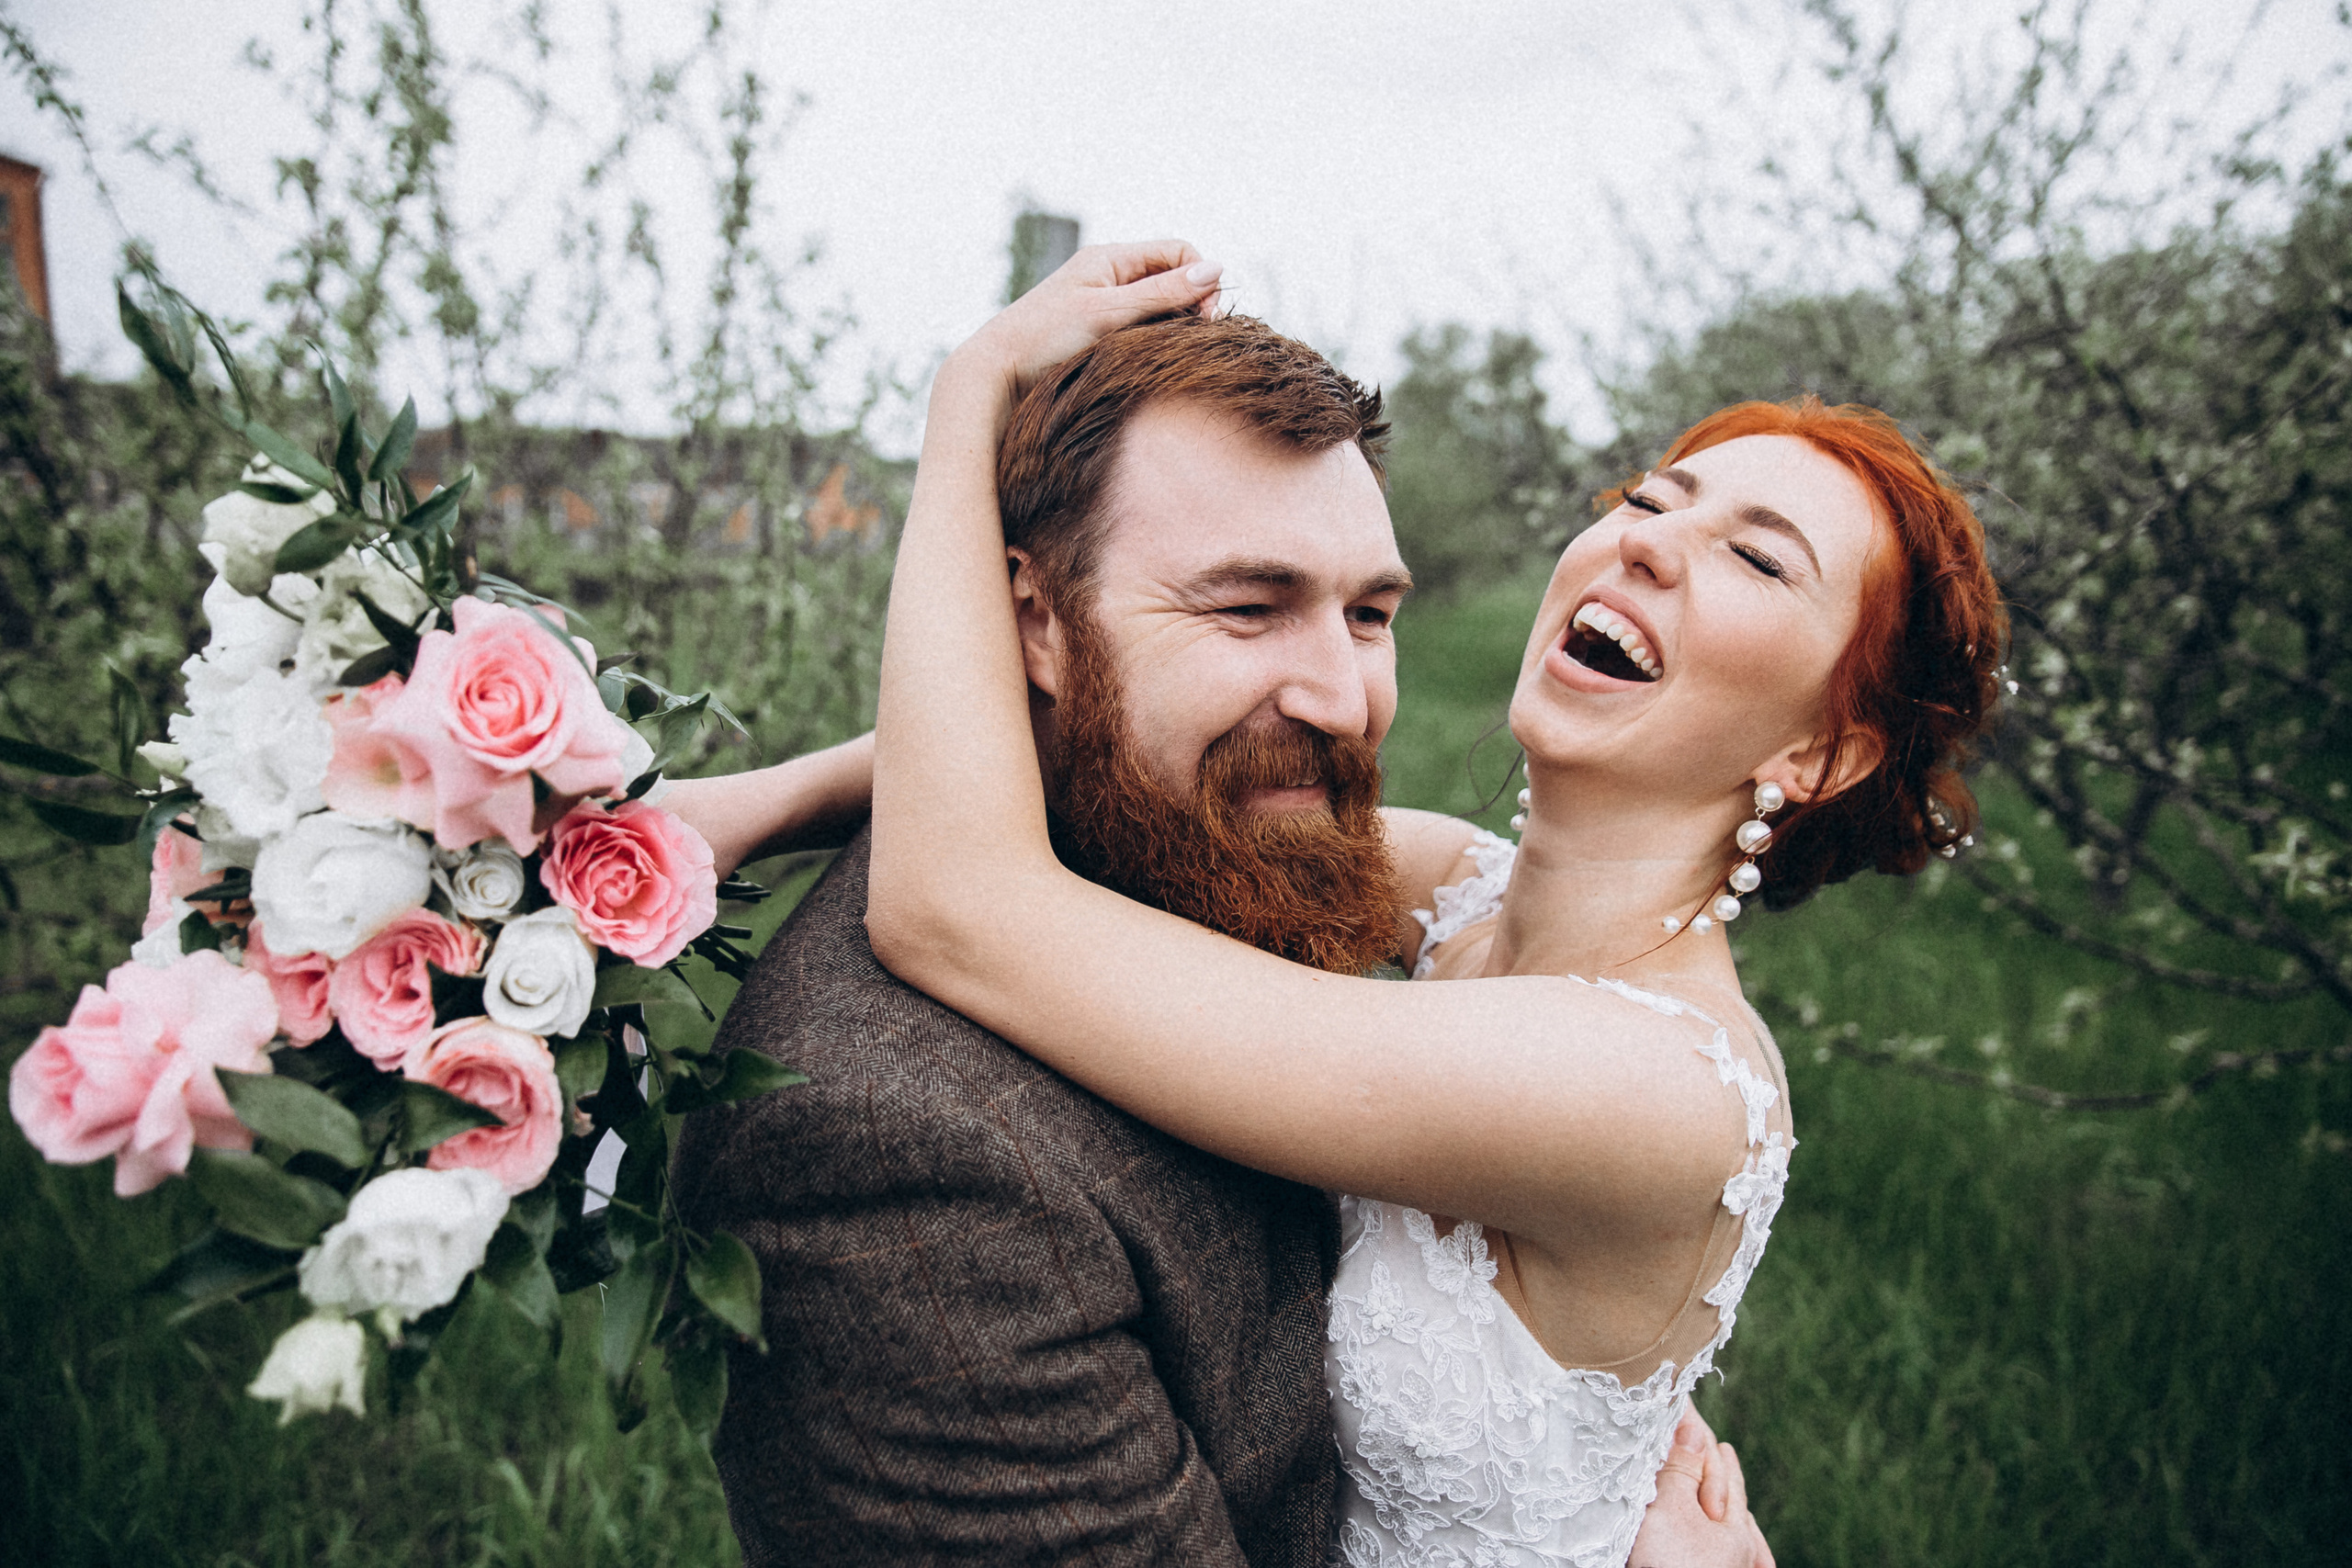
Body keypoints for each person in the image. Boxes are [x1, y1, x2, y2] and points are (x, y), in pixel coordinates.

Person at [855, 243, 2006, 1567]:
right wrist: (743, 805)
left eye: (1756, 559)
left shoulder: (1653, 1083)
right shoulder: (1462, 886)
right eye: (1651, 497)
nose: (1650, 545)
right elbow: (1116, 759)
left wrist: (968, 399)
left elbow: (955, 907)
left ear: (1819, 754)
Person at [666, 245, 1773, 1566]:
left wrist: (968, 399)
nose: (1339, 699)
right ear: (1033, 624)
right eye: (1248, 607)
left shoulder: (1272, 855)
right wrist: (768, 798)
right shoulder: (898, 1158)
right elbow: (951, 899)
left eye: (1370, 614)